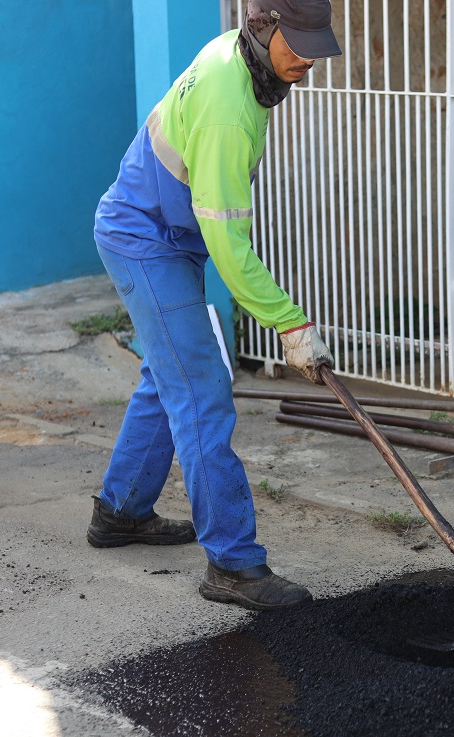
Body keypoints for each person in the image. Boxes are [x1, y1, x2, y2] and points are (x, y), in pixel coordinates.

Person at [88, 0, 339, 610]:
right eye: (296, 42)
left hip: (169, 233)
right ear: (264, 25)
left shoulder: (244, 59)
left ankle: (120, 512)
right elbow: (230, 245)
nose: (305, 57)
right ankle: (233, 562)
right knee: (201, 389)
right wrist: (289, 322)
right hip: (148, 240)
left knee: (168, 372)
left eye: (314, 44)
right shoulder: (230, 105)